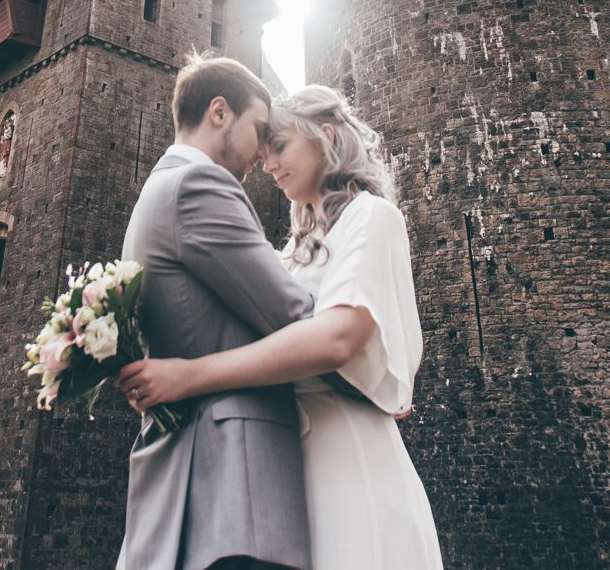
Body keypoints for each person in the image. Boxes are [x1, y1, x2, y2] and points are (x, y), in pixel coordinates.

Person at [119, 84, 443, 570]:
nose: (267, 165)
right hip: (285, 473)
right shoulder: (292, 251)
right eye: (265, 150)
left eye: (281, 146)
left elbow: (335, 339)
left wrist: (188, 375)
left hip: (349, 462)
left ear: (325, 136)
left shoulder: (372, 218)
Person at [115, 54, 316, 570]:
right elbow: (294, 316)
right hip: (238, 488)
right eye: (260, 130)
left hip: (197, 488)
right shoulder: (200, 186)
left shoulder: (155, 191)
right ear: (220, 112)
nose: (262, 153)